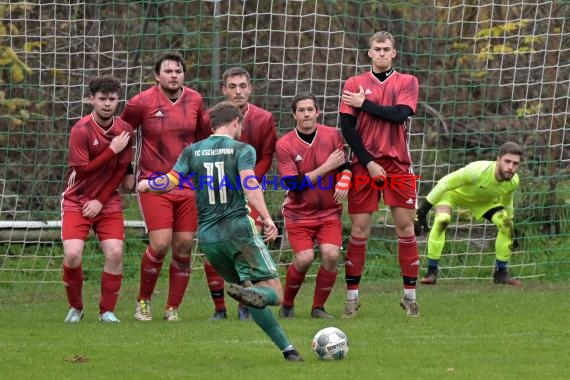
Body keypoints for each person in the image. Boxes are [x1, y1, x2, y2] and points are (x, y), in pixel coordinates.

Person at [138, 101, 303, 361]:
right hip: (239, 232)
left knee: (248, 292)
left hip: (209, 239)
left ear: (212, 126)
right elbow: (250, 183)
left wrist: (148, 184)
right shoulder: (242, 149)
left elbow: (170, 181)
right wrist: (268, 218)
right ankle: (259, 298)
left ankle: (288, 349)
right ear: (236, 122)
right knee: (274, 294)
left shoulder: (192, 151)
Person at [121, 52, 210, 322]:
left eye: (178, 71)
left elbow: (203, 140)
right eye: (168, 71)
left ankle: (173, 308)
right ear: (157, 76)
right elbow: (122, 137)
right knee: (159, 245)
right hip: (153, 183)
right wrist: (128, 172)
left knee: (184, 245)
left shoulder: (195, 100)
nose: (174, 75)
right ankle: (143, 302)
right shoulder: (140, 103)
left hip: (187, 184)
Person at [339, 31, 421, 317]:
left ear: (394, 53)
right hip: (364, 164)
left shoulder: (407, 82)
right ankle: (352, 298)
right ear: (370, 53)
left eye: (387, 49)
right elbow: (348, 128)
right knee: (360, 230)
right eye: (378, 49)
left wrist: (365, 105)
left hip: (398, 164)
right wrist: (368, 161)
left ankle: (409, 297)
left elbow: (399, 115)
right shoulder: (354, 83)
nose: (383, 53)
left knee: (405, 229)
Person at [202, 67, 277, 321]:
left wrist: (250, 182)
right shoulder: (210, 118)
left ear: (250, 88)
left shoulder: (264, 118)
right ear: (224, 90)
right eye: (232, 86)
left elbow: (267, 155)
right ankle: (219, 308)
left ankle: (246, 303)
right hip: (218, 193)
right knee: (214, 247)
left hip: (250, 191)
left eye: (242, 86)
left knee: (247, 246)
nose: (238, 91)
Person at [61, 75, 133, 323]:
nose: (107, 104)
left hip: (107, 200)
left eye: (112, 99)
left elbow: (121, 170)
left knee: (115, 253)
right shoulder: (80, 130)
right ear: (92, 99)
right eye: (102, 99)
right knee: (72, 255)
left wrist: (101, 201)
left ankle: (107, 311)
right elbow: (82, 171)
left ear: (117, 100)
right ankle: (76, 308)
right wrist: (111, 150)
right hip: (76, 198)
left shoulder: (125, 130)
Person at [276, 93, 351, 319]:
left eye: (310, 109)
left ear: (318, 112)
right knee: (304, 258)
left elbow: (345, 166)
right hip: (299, 213)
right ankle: (287, 304)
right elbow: (293, 184)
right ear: (294, 114)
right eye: (301, 110)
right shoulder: (284, 144)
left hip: (329, 211)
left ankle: (318, 308)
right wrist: (326, 167)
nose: (306, 114)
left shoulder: (332, 136)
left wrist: (345, 180)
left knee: (330, 255)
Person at [415, 142, 523, 286]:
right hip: (453, 194)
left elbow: (507, 202)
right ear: (498, 160)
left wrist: (511, 227)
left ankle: (501, 274)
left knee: (506, 225)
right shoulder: (477, 171)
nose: (511, 167)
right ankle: (431, 272)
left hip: (484, 201)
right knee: (442, 220)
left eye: (515, 163)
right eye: (507, 161)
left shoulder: (513, 181)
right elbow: (444, 183)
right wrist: (421, 212)